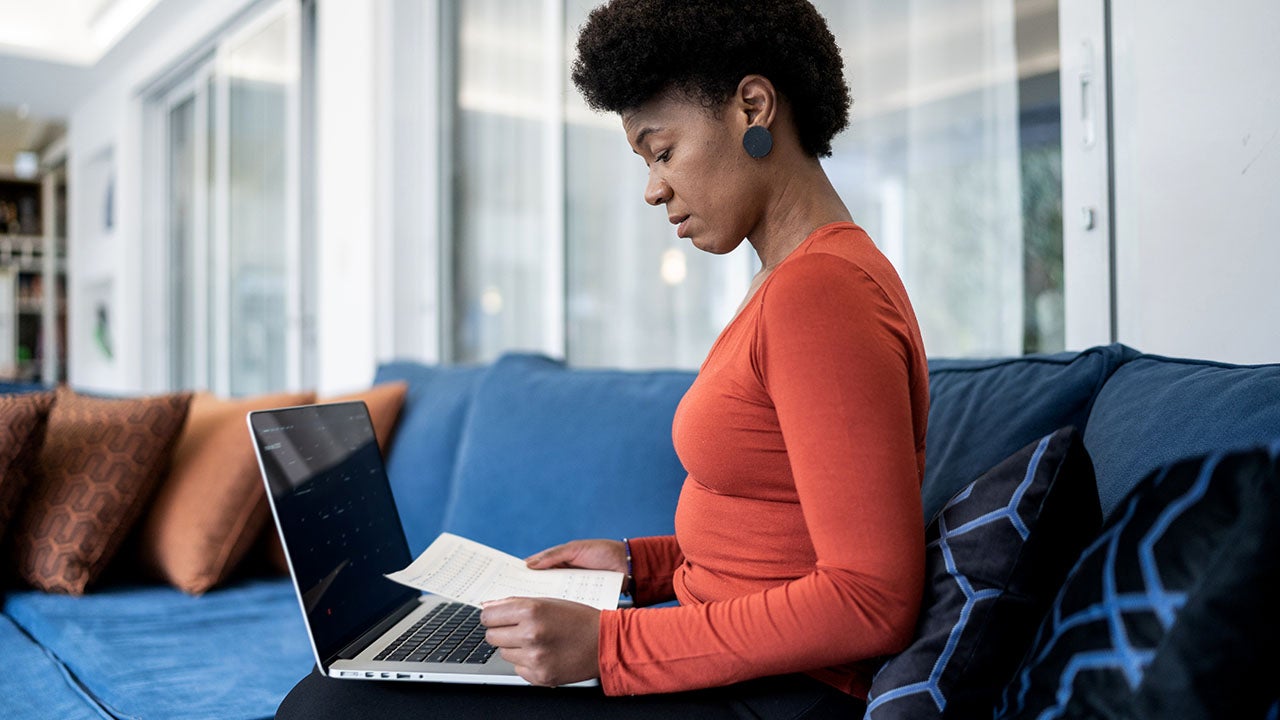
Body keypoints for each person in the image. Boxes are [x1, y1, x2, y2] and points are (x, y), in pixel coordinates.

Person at [278, 1, 928, 717]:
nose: (653, 188)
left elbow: (872, 599)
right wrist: (640, 566)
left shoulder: (822, 293)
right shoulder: (786, 283)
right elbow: (772, 539)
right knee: (344, 687)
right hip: (729, 669)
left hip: (773, 695)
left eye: (663, 151)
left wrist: (611, 647)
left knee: (329, 707)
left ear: (752, 106)